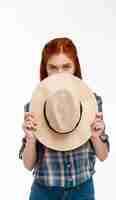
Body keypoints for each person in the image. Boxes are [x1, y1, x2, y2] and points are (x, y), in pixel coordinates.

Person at [19, 37, 110, 200]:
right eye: (53, 67)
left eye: (66, 66)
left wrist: (96, 136)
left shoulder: (91, 102)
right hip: (44, 191)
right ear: (45, 69)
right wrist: (31, 139)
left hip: (82, 190)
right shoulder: (34, 106)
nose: (59, 73)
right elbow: (28, 164)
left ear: (75, 67)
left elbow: (103, 155)